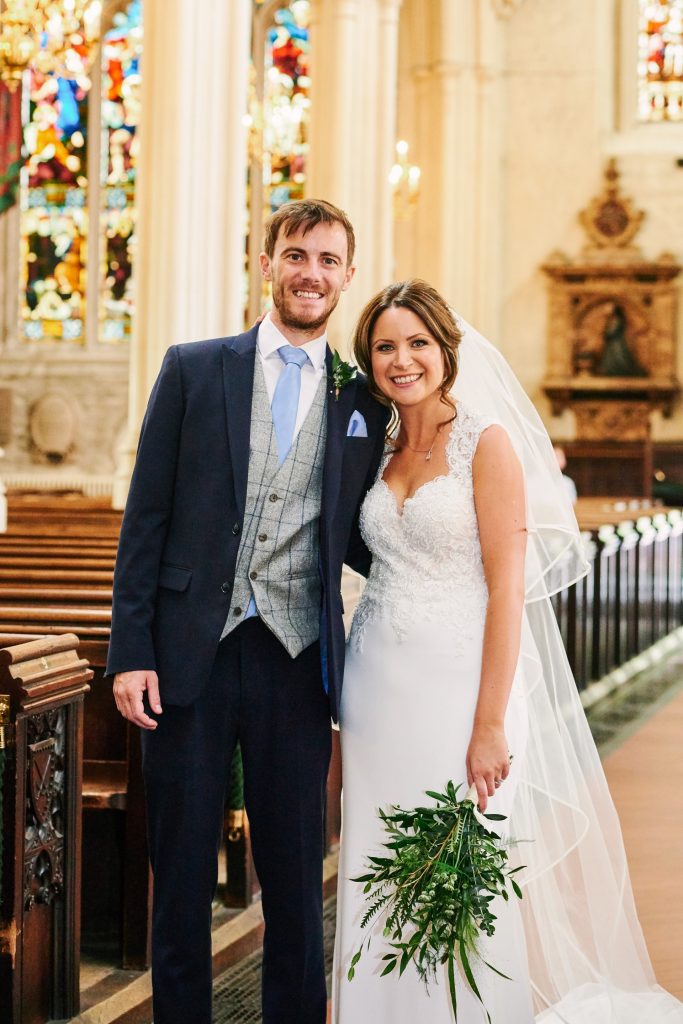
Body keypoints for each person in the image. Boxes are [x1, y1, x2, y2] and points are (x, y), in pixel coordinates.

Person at [331, 279, 683, 1023]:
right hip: (375, 691)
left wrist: (490, 723)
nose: (401, 360)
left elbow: (506, 591)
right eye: (385, 347)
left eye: (417, 343)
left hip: (462, 689)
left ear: (445, 349)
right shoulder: (376, 443)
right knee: (378, 866)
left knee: (457, 870)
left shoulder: (484, 443)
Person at [107, 198, 389, 1024]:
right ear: (267, 263)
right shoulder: (196, 369)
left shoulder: (362, 402)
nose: (311, 273)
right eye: (297, 255)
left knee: (298, 876)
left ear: (346, 275)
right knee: (182, 873)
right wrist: (131, 651)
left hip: (298, 664)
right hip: (188, 658)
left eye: (329, 260)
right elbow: (145, 519)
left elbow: (372, 533)